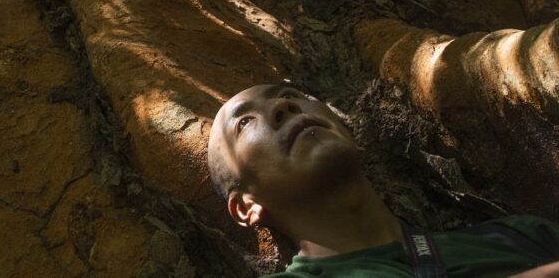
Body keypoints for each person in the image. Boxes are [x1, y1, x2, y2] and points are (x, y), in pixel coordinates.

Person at [207, 83, 559, 277]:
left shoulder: (522, 236)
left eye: (291, 95)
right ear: (245, 207)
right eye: (244, 122)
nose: (285, 107)